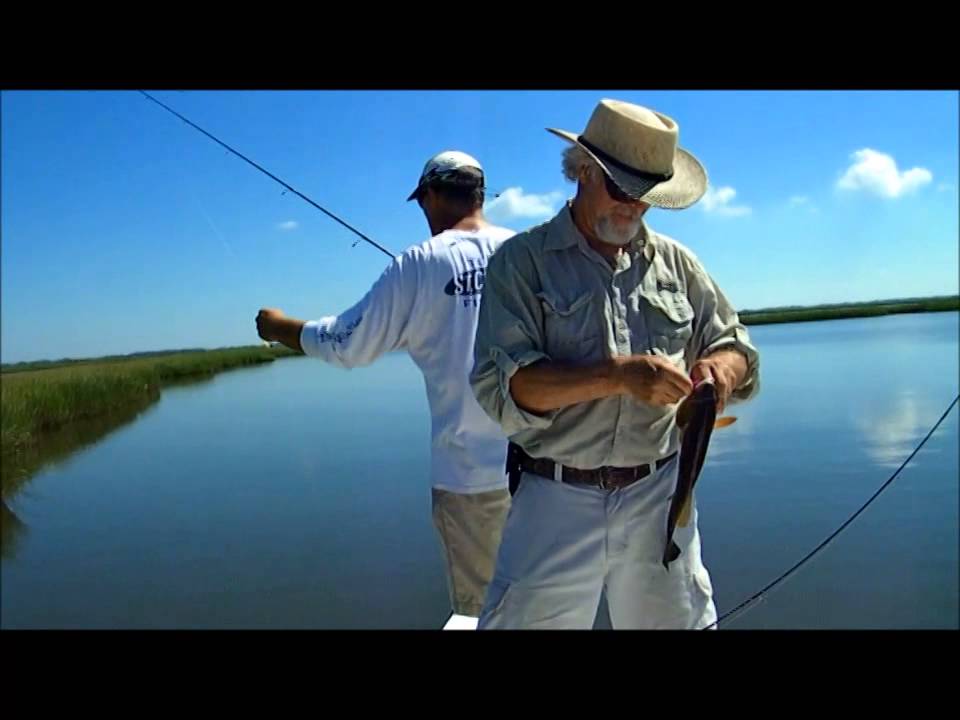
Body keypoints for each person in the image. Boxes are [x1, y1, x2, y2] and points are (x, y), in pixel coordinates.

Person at [469, 99, 761, 629]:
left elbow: (735, 344)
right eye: (622, 189)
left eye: (646, 196)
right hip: (553, 495)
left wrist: (721, 372)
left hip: (660, 496)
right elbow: (508, 391)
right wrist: (618, 376)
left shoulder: (678, 263)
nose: (633, 207)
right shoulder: (520, 262)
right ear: (582, 171)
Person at [256, 151, 515, 620]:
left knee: (484, 612)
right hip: (549, 474)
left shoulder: (416, 263)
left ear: (432, 195)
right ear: (480, 194)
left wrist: (279, 328)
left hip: (467, 481)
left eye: (422, 203)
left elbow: (345, 344)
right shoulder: (527, 253)